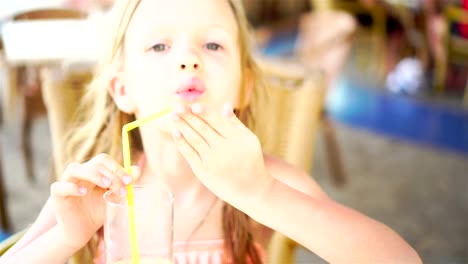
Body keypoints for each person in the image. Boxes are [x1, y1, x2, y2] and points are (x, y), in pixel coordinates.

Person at [0, 0, 422, 263]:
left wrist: (262, 193)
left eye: (214, 45)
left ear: (244, 86)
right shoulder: (98, 194)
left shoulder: (267, 183)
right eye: (160, 46)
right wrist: (70, 237)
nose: (188, 59)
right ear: (123, 90)